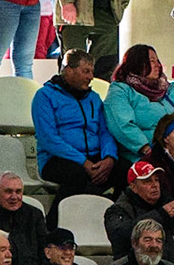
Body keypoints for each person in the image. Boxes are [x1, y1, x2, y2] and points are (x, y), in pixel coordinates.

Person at [33, 49, 118, 214]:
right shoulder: (44, 96)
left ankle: (109, 218)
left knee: (124, 170)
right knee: (77, 175)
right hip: (56, 159)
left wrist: (109, 158)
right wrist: (83, 162)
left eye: (92, 72)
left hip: (94, 158)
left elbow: (105, 131)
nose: (91, 77)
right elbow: (48, 139)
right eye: (86, 71)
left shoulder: (94, 98)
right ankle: (55, 224)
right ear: (68, 70)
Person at [104, 45, 174, 162]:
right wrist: (146, 149)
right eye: (152, 61)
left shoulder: (168, 88)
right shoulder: (120, 90)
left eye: (158, 60)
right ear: (137, 63)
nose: (158, 65)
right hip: (142, 156)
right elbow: (122, 125)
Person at [108, 159, 174, 265]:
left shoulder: (170, 204)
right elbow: (120, 237)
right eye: (147, 181)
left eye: (156, 180)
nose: (155, 185)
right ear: (133, 187)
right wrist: (161, 215)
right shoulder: (118, 210)